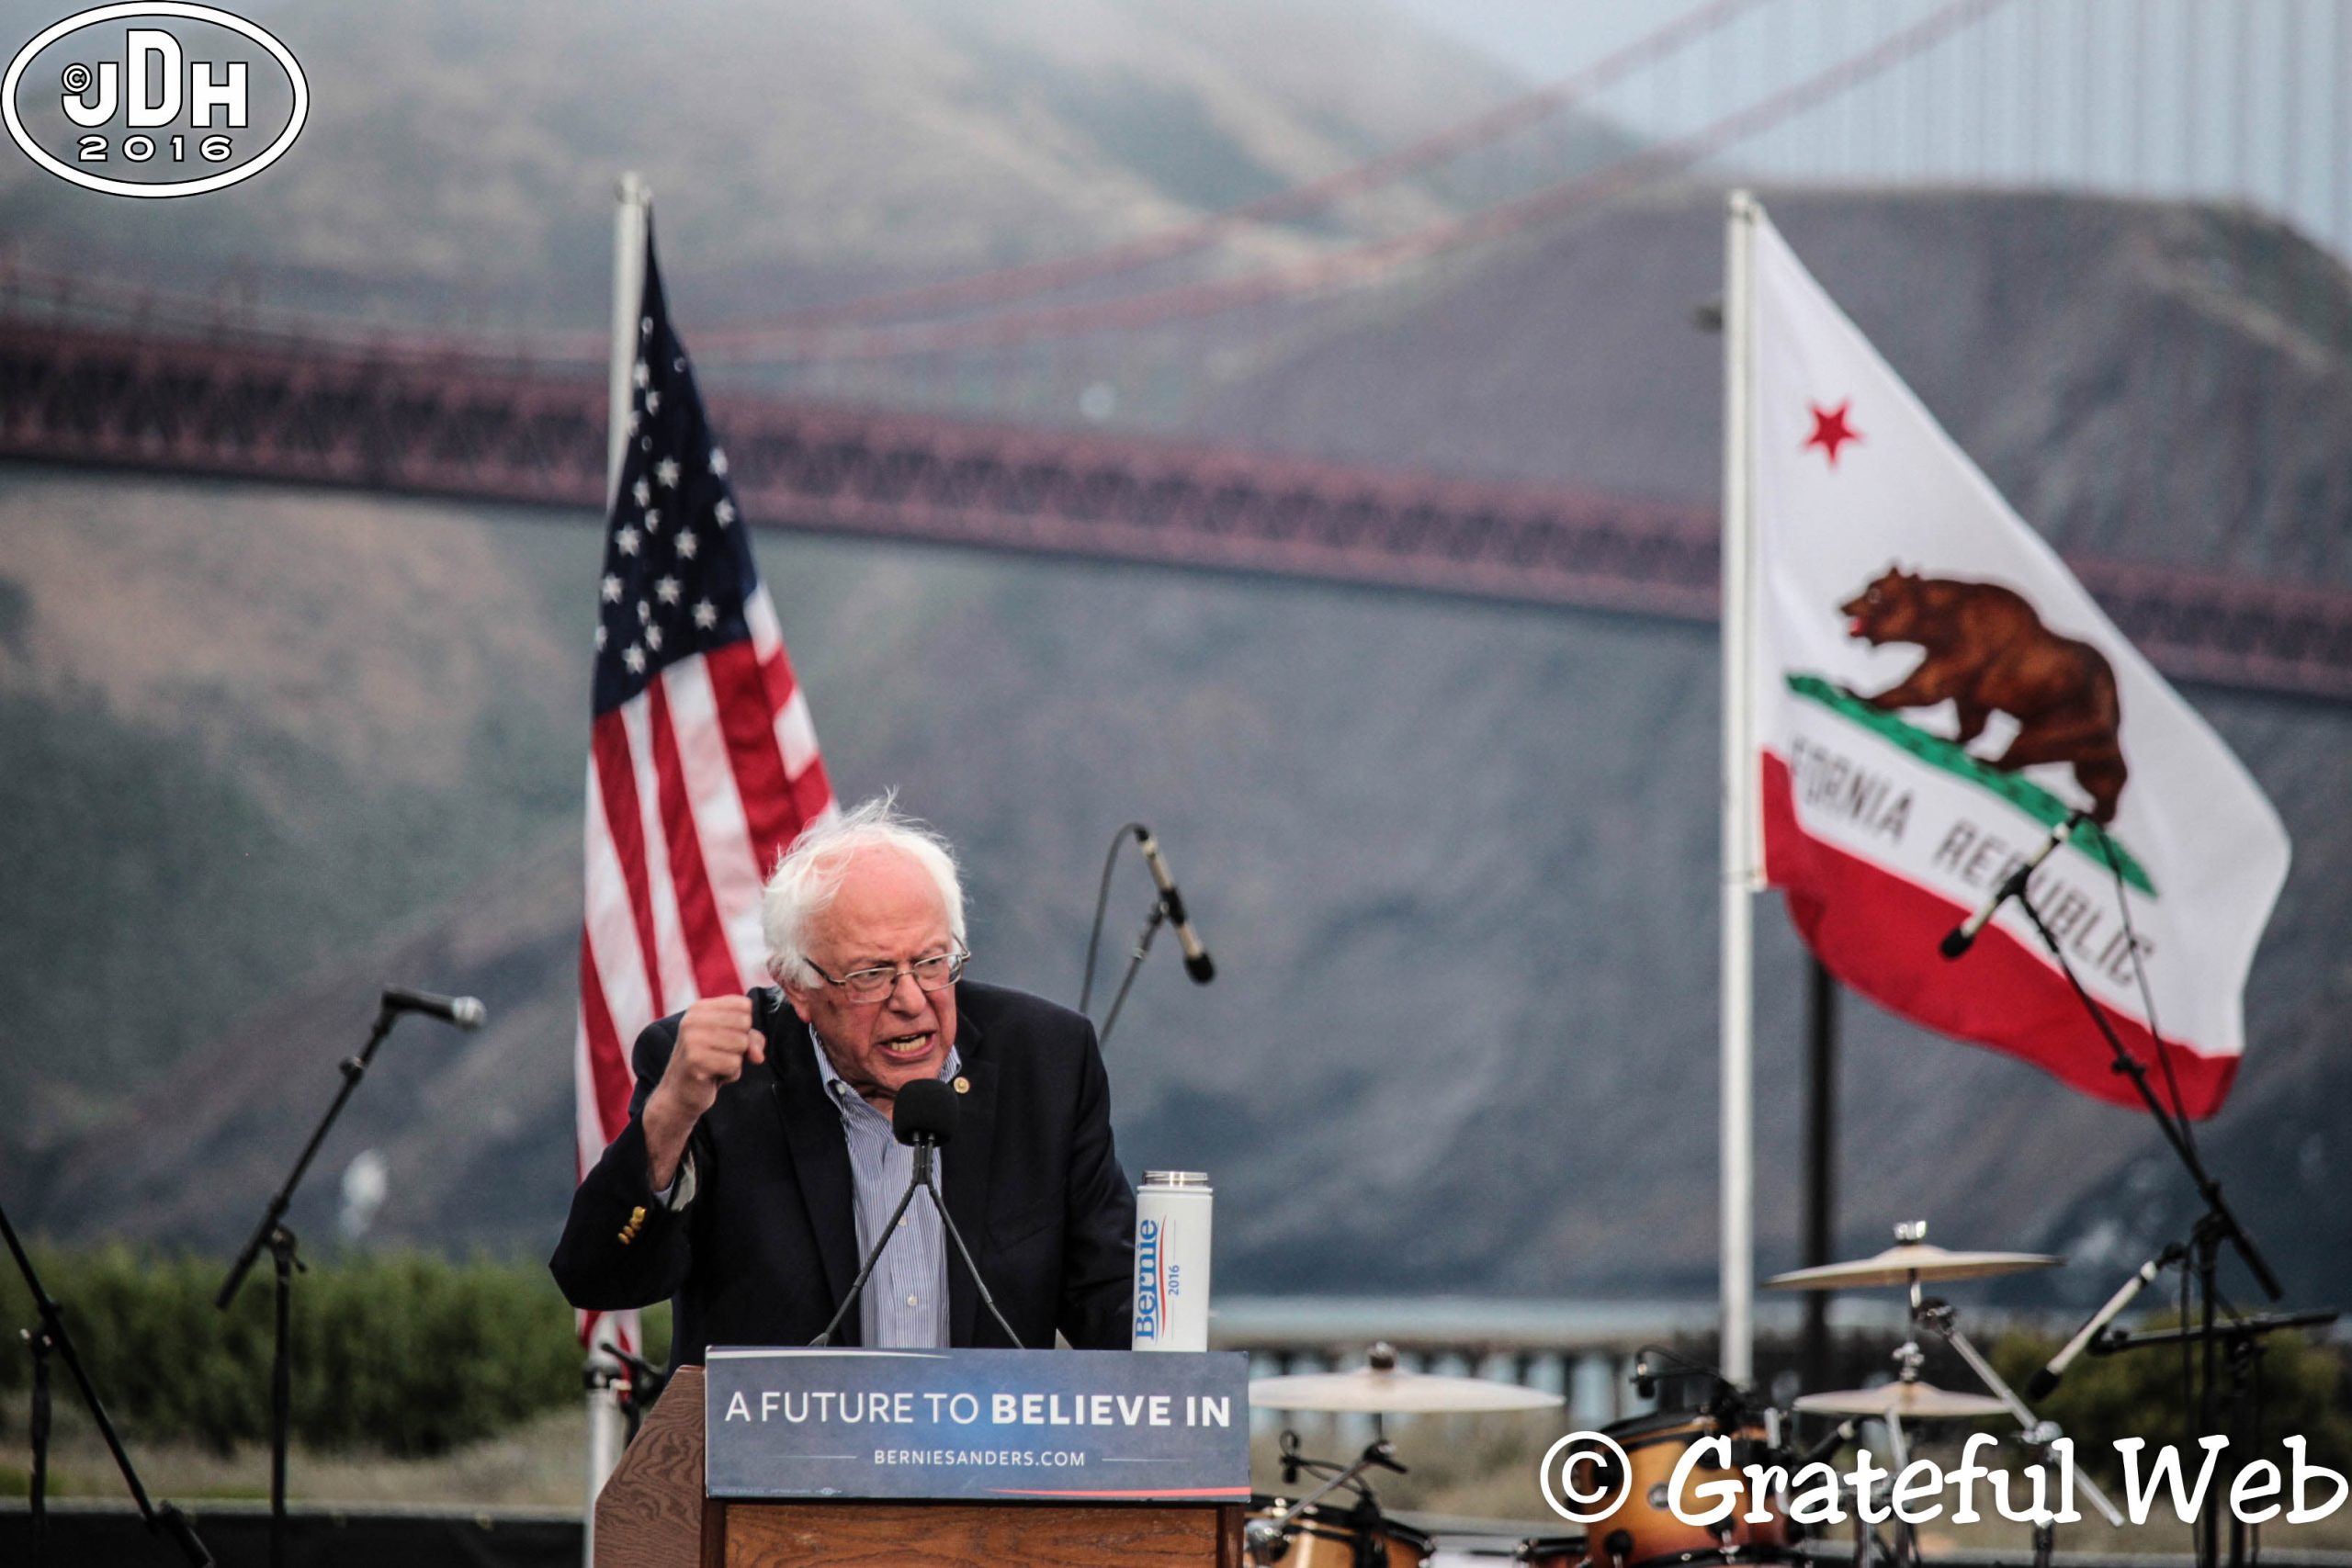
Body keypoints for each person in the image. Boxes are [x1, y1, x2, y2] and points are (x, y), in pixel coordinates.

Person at [551, 797, 1136, 1362]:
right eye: (871, 974)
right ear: (798, 986)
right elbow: (598, 1277)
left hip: (985, 1431)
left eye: (932, 962)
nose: (911, 1000)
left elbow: (1114, 1299)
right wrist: (671, 1115)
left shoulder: (1046, 1062)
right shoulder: (720, 1081)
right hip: (782, 1433)